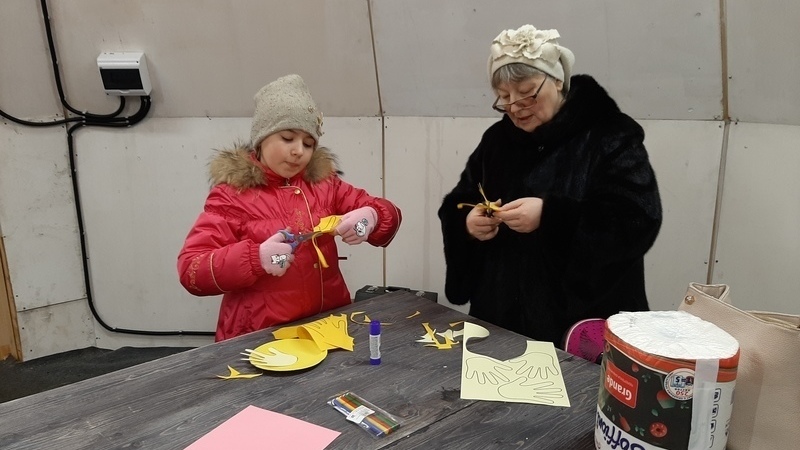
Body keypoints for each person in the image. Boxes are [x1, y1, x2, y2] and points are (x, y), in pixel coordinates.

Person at [438, 25, 662, 348]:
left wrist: (551, 216)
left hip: (578, 329)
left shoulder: (609, 135)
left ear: (557, 80)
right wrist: (469, 224)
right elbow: (460, 201)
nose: (515, 106)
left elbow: (638, 218)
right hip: (498, 321)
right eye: (504, 97)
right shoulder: (497, 141)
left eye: (527, 92)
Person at [178, 74, 402, 341]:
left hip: (326, 329)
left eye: (308, 143)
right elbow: (192, 270)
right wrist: (256, 258)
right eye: (287, 138)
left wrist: (371, 216)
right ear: (261, 138)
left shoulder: (324, 184)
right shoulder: (232, 196)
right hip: (261, 338)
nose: (299, 151)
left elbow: (387, 214)